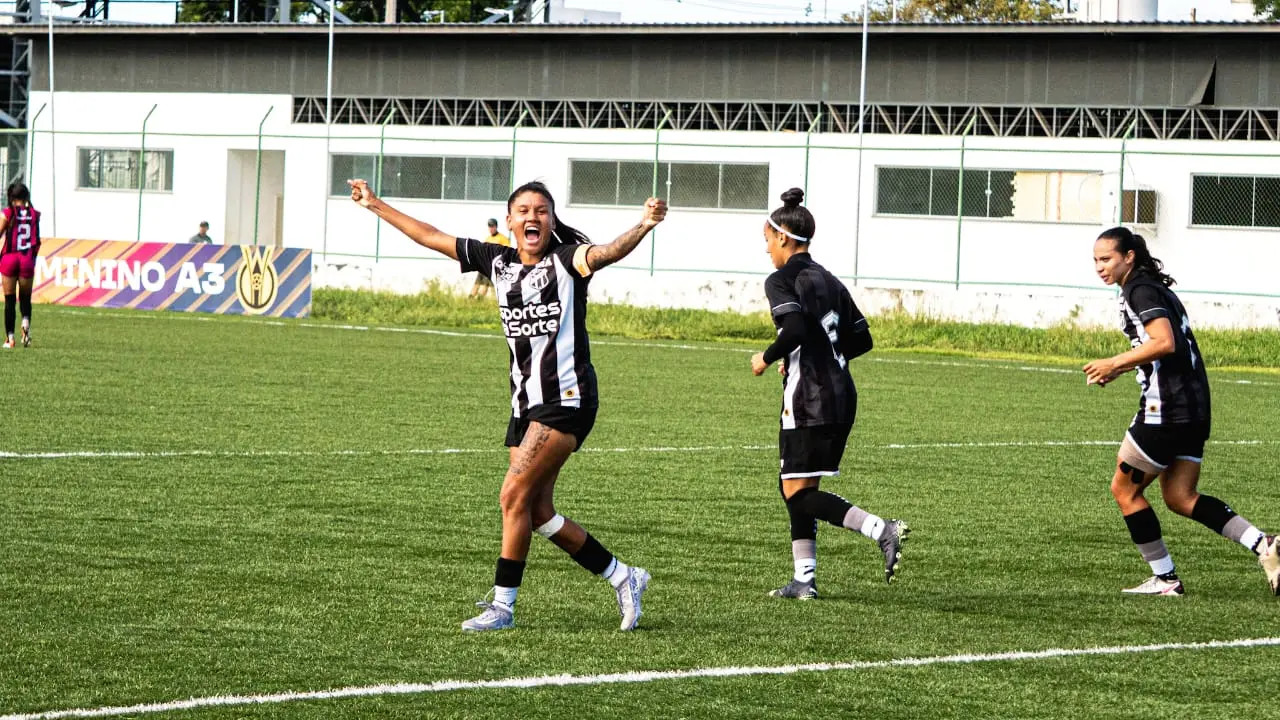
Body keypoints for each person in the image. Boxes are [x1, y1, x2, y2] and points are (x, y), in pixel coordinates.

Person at [348, 176, 668, 632]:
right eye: (524, 210)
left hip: (566, 398)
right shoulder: (495, 260)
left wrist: (644, 225)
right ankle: (624, 577)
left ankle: (502, 608)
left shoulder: (565, 260)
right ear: (512, 220)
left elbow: (605, 252)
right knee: (536, 511)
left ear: (551, 220)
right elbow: (429, 234)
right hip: (524, 405)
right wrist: (374, 204)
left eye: (541, 210)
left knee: (511, 495)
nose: (532, 217)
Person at [1084, 226, 1279, 596]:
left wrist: (1115, 362)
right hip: (1193, 405)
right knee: (1180, 496)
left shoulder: (1140, 290)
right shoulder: (1154, 289)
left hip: (1167, 408)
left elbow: (1164, 342)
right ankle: (1263, 545)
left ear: (1129, 257)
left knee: (1124, 489)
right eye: (1095, 260)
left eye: (1106, 258)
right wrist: (1126, 366)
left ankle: (1165, 579)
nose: (1099, 266)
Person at [749, 187, 908, 600]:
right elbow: (862, 340)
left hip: (809, 399)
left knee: (797, 496)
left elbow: (796, 329)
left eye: (767, 240)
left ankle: (880, 529)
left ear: (783, 236)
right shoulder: (829, 278)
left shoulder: (782, 279)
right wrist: (819, 354)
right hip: (841, 395)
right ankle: (805, 580)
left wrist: (767, 357)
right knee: (798, 490)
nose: (766, 249)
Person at [0, 183, 41, 349]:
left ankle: (10, 339)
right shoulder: (34, 214)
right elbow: (37, 239)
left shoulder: (8, 213)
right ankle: (26, 327)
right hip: (26, 259)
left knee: (10, 300)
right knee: (25, 298)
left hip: (9, 258)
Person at [470, 218, 511, 299]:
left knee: (486, 285)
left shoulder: (503, 239)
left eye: (493, 227)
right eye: (489, 227)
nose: (491, 229)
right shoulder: (488, 239)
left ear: (496, 227)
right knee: (477, 283)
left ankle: (480, 299)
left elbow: (507, 252)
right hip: (484, 264)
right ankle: (470, 298)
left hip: (493, 266)